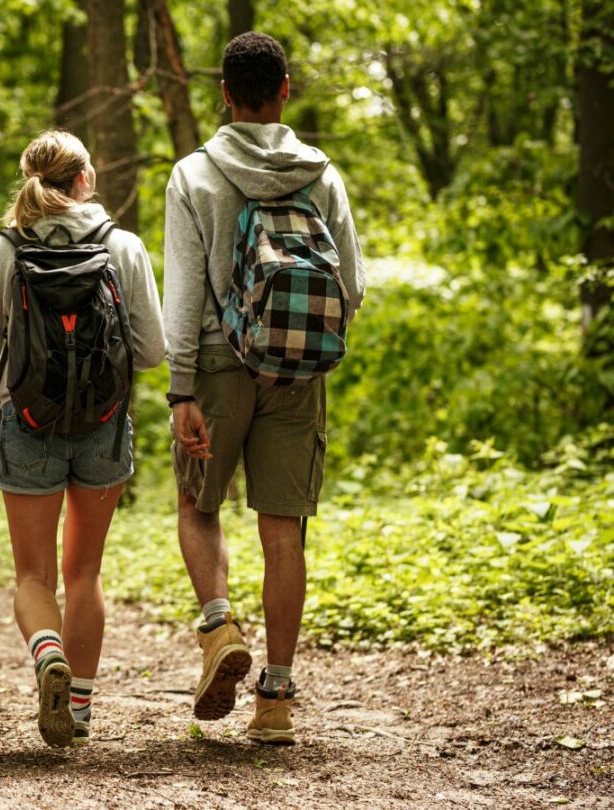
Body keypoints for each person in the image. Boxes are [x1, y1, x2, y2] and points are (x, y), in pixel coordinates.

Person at [163, 32, 366, 745]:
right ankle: (275, 700)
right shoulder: (320, 173)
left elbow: (184, 292)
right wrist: (302, 347)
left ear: (225, 94)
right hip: (296, 374)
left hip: (217, 368)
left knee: (198, 503)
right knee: (284, 531)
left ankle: (220, 627)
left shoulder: (194, 174)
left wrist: (180, 388)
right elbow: (352, 284)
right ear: (284, 91)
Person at [0, 130, 164, 748]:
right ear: (85, 179)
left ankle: (48, 653)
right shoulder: (122, 245)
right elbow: (152, 352)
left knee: (33, 576)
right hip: (103, 425)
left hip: (29, 424)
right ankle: (82, 710)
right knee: (86, 572)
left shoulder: (5, 247)